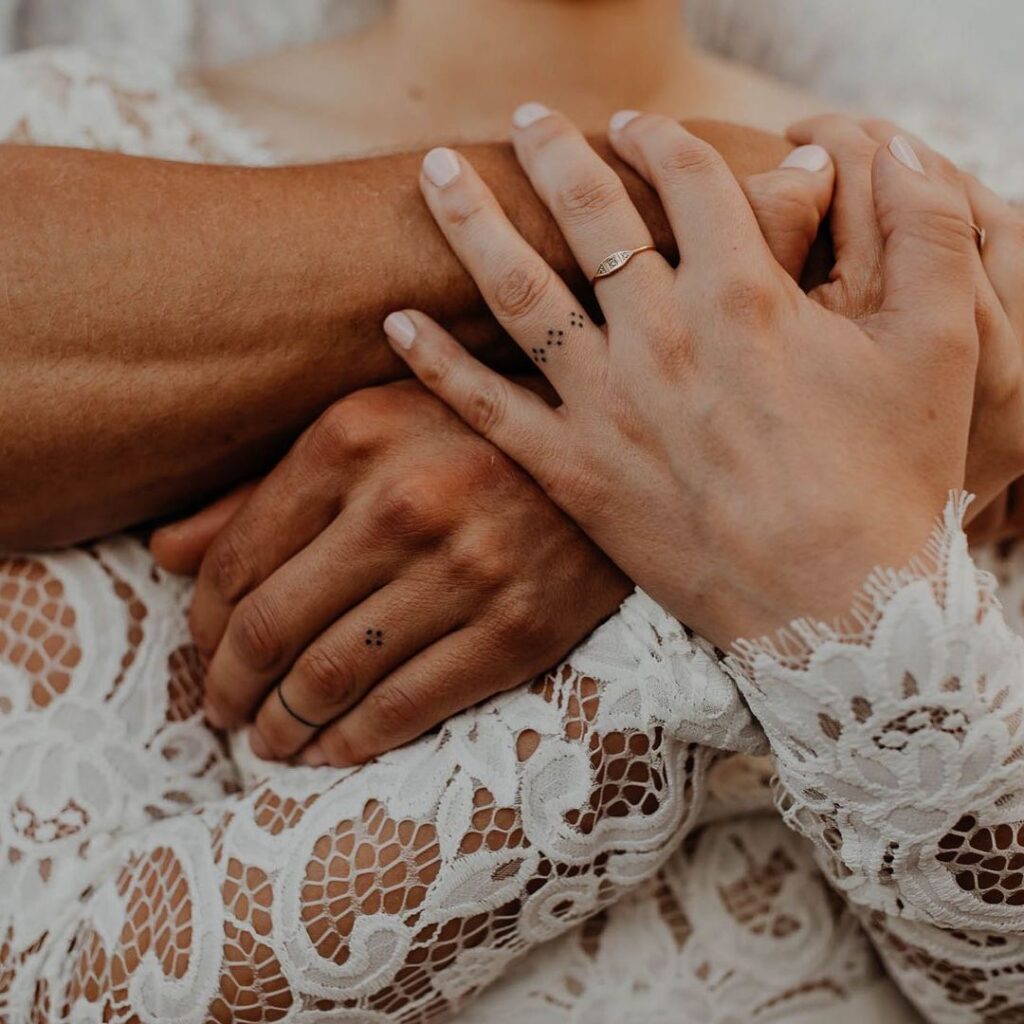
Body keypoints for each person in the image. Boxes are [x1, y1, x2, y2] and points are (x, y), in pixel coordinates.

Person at [0, 3, 1021, 1022]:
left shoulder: (965, 217)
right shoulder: (66, 150)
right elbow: (65, 990)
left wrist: (768, 546)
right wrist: (714, 574)